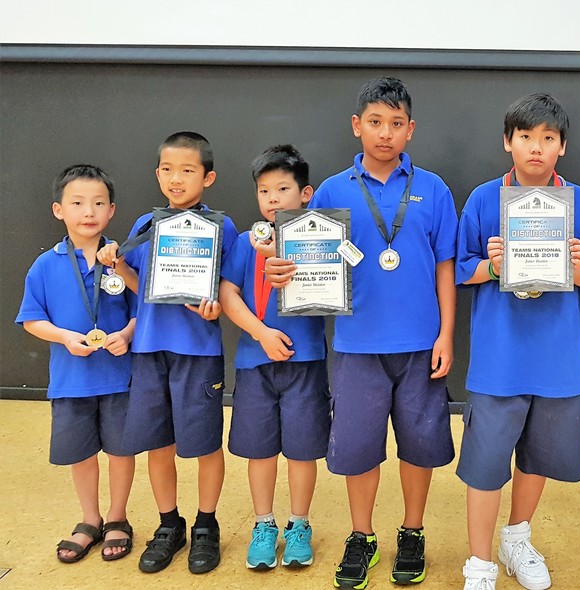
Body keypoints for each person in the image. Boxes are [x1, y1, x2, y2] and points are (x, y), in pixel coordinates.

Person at [265, 76, 457, 589]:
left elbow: (445, 267)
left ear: (411, 129)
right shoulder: (331, 190)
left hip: (420, 344)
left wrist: (447, 335)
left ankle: (412, 531)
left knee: (420, 446)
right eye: (375, 122)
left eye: (396, 124)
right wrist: (284, 271)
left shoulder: (433, 188)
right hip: (355, 345)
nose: (385, 133)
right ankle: (362, 535)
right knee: (358, 447)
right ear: (357, 127)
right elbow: (308, 260)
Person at [456, 93, 580, 590]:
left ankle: (516, 538)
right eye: (526, 137)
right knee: (484, 465)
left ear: (562, 146)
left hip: (557, 358)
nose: (536, 148)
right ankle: (479, 563)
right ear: (508, 142)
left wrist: (575, 263)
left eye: (548, 138)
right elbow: (462, 270)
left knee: (538, 458)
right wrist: (493, 265)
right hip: (499, 360)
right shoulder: (484, 199)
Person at [97, 131, 239, 574]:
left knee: (203, 442)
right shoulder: (145, 224)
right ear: (157, 173)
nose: (176, 179)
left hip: (197, 352)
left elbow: (226, 294)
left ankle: (205, 524)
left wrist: (214, 309)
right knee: (157, 442)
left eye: (188, 170)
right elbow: (145, 291)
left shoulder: (222, 226)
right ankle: (168, 524)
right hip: (149, 349)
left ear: (208, 177)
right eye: (167, 169)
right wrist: (116, 263)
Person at [17, 164, 137, 564]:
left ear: (112, 210)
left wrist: (126, 335)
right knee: (81, 454)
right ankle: (90, 519)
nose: (89, 211)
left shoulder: (123, 260)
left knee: (122, 452)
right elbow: (33, 319)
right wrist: (65, 337)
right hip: (70, 381)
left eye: (99, 203)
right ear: (58, 209)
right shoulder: (45, 265)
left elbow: (144, 310)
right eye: (78, 202)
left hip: (119, 378)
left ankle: (118, 517)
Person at [219, 145, 331, 571]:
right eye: (264, 190)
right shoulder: (248, 242)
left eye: (283, 188)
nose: (272, 198)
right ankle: (264, 524)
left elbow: (336, 290)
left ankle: (299, 524)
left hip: (306, 363)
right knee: (260, 451)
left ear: (305, 193)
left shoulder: (321, 239)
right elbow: (228, 293)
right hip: (255, 361)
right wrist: (260, 333)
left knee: (303, 451)